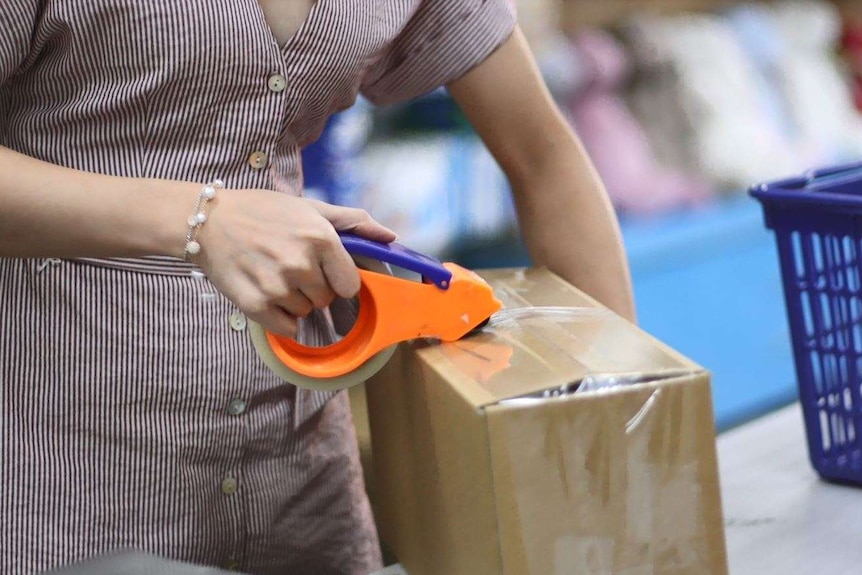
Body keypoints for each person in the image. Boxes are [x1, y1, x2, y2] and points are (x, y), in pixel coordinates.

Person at [0, 1, 635, 574]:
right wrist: (199, 219)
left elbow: (543, 155)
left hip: (301, 473)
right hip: (66, 472)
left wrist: (626, 427)